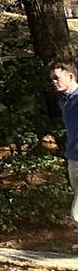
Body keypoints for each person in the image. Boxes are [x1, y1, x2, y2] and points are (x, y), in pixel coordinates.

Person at [53, 61, 78, 224]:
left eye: (56, 78)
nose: (54, 82)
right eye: (52, 79)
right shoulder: (63, 101)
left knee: (77, 213)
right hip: (73, 159)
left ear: (70, 76)